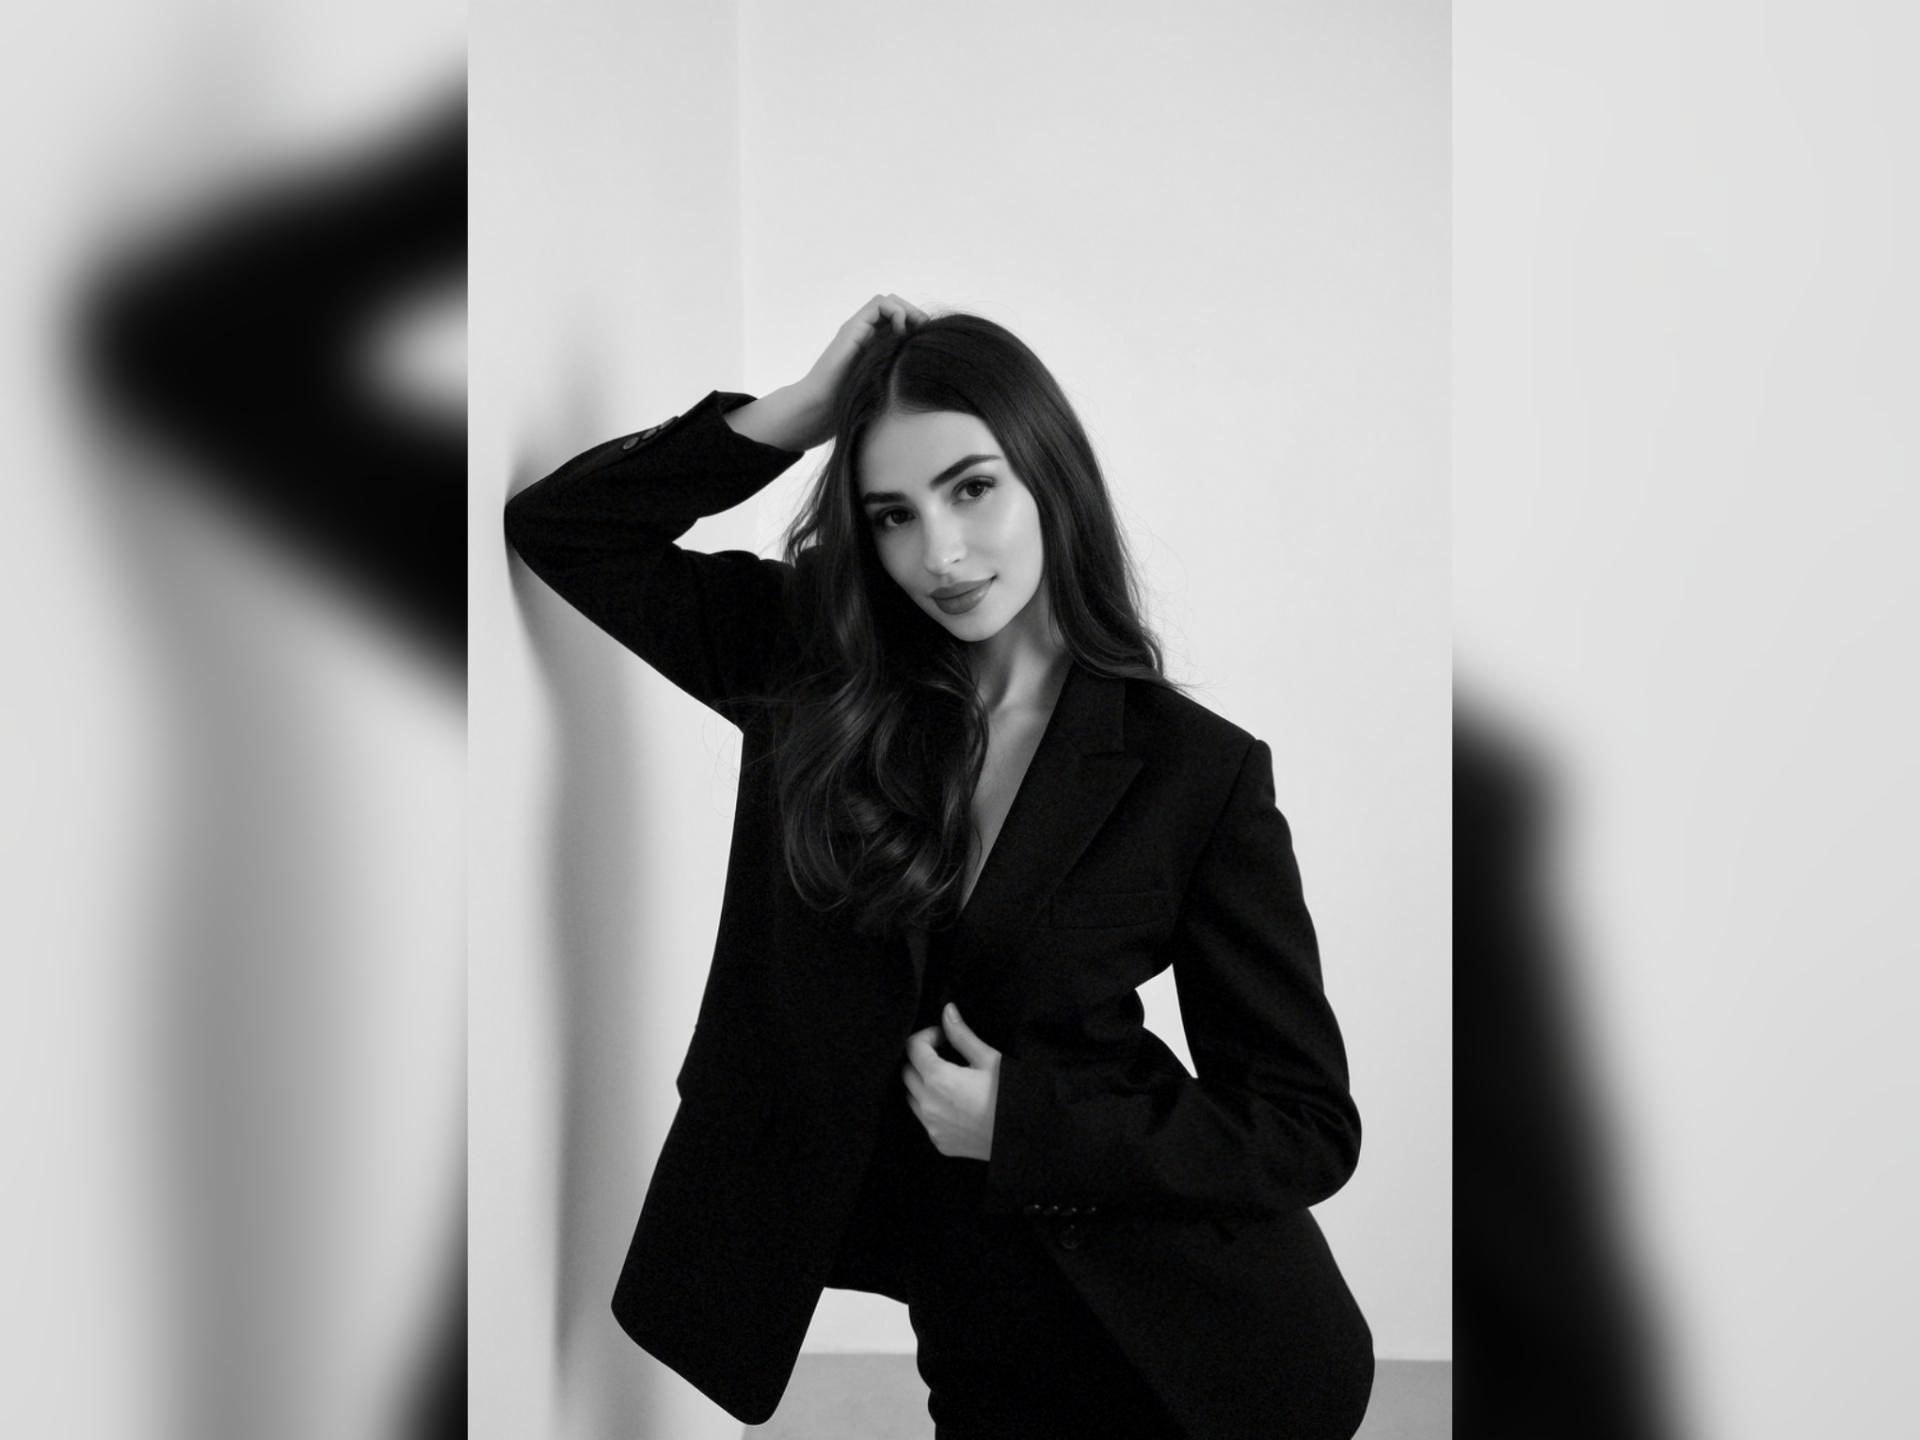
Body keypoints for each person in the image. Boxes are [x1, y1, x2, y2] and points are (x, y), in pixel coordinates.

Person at [503, 295, 1375, 1440]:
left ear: (1048, 477)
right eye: (892, 515)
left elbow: (1302, 1126)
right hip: (982, 1324)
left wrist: (1024, 1123)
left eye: (972, 489)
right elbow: (567, 530)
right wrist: (799, 412)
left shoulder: (1193, 773)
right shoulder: (817, 675)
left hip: (1211, 1343)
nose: (940, 554)